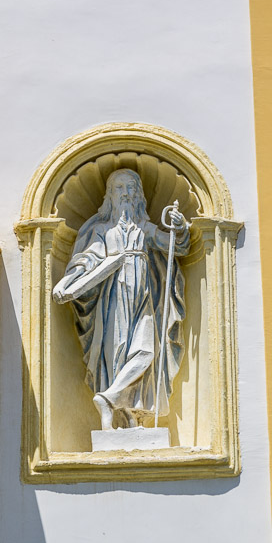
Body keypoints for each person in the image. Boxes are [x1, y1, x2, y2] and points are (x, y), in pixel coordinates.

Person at [53, 168, 190, 430]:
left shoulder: (145, 229)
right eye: (119, 188)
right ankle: (126, 419)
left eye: (130, 188)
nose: (125, 193)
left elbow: (176, 246)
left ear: (138, 195)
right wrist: (65, 283)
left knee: (146, 350)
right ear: (110, 196)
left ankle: (107, 398)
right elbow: (85, 263)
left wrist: (180, 227)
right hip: (113, 302)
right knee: (117, 357)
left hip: (144, 301)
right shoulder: (102, 230)